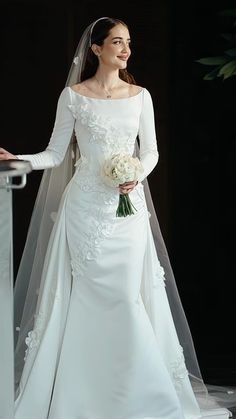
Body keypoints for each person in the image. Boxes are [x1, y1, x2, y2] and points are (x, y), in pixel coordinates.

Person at [0, 16, 234, 419]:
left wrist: (135, 174)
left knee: (127, 296)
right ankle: (85, 397)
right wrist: (20, 159)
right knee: (88, 300)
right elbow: (56, 154)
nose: (126, 50)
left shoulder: (140, 95)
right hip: (85, 210)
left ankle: (138, 395)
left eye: (128, 42)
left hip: (127, 212)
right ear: (96, 49)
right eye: (117, 42)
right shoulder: (73, 96)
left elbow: (152, 151)